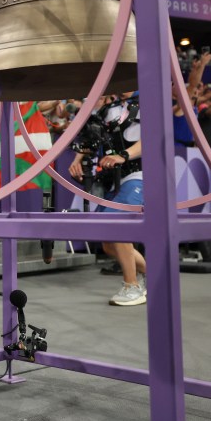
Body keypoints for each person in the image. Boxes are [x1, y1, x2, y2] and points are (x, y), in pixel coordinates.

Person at [68, 92, 146, 306]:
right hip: (115, 180)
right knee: (108, 244)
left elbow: (153, 136)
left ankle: (132, 286)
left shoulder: (148, 102)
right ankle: (155, 275)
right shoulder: (106, 110)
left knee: (116, 227)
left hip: (140, 175)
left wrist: (124, 155)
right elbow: (92, 138)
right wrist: (77, 159)